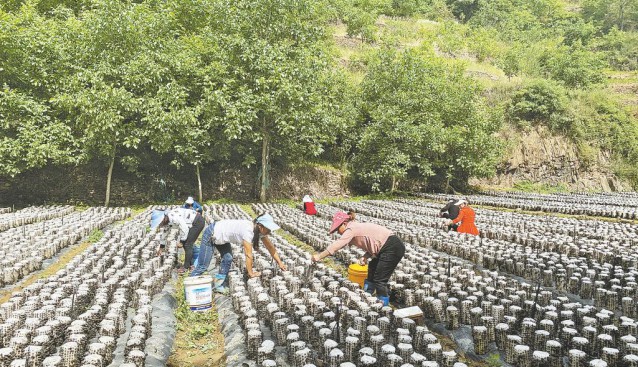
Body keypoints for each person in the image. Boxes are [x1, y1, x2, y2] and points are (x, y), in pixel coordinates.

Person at [311, 211, 405, 306]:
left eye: (337, 229)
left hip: (392, 247)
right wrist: (365, 256)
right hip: (387, 246)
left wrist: (319, 256)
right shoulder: (354, 227)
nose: (338, 232)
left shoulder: (351, 229)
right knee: (372, 267)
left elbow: (338, 244)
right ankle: (367, 296)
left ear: (344, 223)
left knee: (380, 279)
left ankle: (384, 308)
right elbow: (373, 242)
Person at [190, 213, 287, 293]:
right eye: (268, 229)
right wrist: (251, 273)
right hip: (212, 234)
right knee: (203, 266)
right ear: (260, 226)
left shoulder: (259, 231)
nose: (269, 232)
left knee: (228, 258)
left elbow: (270, 247)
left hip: (221, 237)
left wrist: (280, 263)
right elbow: (248, 255)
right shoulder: (248, 231)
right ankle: (189, 288)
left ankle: (218, 285)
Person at [151, 207, 205, 274]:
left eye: (160, 222)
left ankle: (186, 267)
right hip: (191, 224)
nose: (160, 224)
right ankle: (191, 264)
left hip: (197, 222)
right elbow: (165, 233)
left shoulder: (174, 217)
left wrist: (181, 242)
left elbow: (184, 228)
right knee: (187, 244)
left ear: (164, 217)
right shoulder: (167, 221)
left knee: (187, 244)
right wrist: (161, 247)